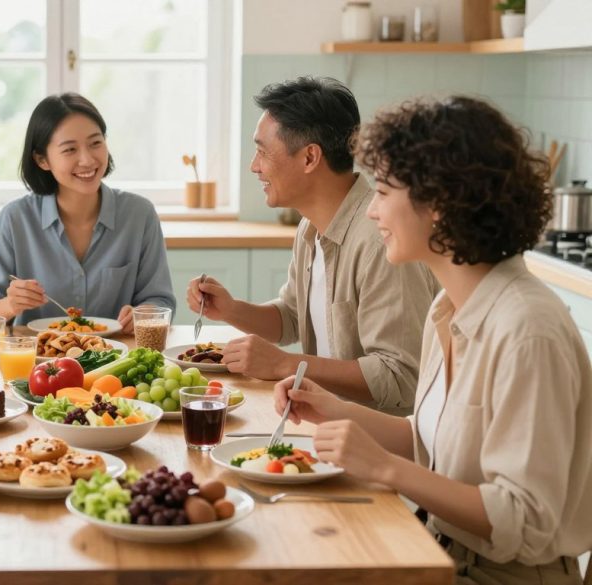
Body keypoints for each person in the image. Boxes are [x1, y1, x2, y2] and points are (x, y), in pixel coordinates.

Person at [275, 96, 592, 584]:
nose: (373, 211)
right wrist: (327, 406)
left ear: (440, 204)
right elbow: (427, 440)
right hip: (438, 549)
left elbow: (524, 518)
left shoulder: (527, 330)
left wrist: (384, 469)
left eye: (382, 192)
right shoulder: (447, 310)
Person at [187, 77, 438, 413]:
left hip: (375, 444)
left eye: (262, 151)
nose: (254, 166)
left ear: (309, 158)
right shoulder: (310, 228)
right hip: (325, 424)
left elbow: (400, 377)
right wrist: (231, 310)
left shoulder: (381, 241)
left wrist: (285, 365)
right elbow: (292, 317)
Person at [0, 92, 175, 333]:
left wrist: (143, 314)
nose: (87, 160)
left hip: (116, 362)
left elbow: (160, 301)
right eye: (69, 150)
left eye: (96, 143)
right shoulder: (15, 219)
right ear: (42, 159)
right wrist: (9, 305)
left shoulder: (139, 214)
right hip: (38, 362)